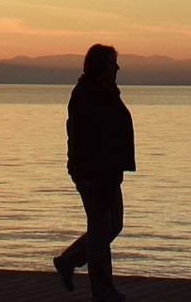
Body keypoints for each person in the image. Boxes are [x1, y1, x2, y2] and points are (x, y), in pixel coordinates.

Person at [54, 44, 135, 302]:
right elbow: (79, 137)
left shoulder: (106, 91)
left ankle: (68, 260)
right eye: (113, 62)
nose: (117, 67)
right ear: (101, 65)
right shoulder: (85, 94)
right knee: (101, 228)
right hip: (93, 173)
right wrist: (84, 175)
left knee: (113, 225)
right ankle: (102, 290)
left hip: (108, 172)